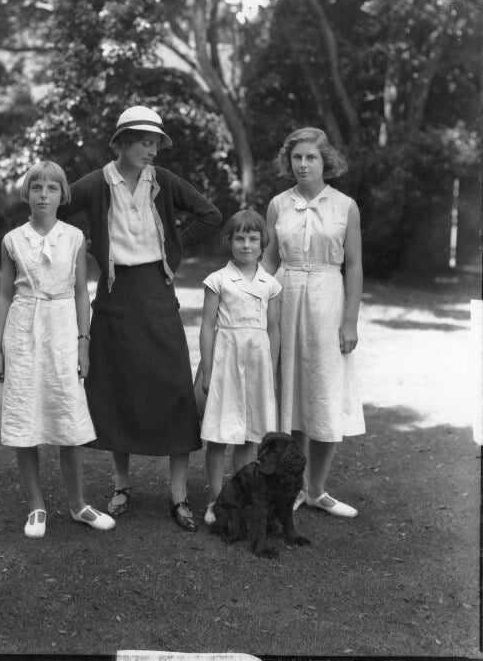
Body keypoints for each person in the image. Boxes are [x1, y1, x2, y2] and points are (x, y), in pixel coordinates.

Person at [58, 105, 221, 531]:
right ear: (124, 142)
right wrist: (93, 247)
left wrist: (174, 248)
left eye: (155, 143)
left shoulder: (162, 181)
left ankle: (179, 494)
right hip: (114, 294)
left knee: (173, 390)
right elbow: (55, 211)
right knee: (117, 388)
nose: (152, 150)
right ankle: (121, 484)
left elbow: (209, 214)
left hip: (157, 291)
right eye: (145, 142)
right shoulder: (96, 183)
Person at [0, 161, 116, 538]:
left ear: (62, 195)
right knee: (25, 416)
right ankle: (36, 506)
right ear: (26, 193)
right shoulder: (12, 239)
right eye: (36, 187)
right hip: (23, 330)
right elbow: (6, 295)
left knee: (67, 417)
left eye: (51, 188)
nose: (43, 194)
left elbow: (79, 294)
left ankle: (78, 504)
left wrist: (83, 343)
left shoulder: (73, 237)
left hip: (61, 330)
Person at [263, 127, 365, 519]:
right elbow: (270, 258)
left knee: (322, 393)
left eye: (311, 157)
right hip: (286, 295)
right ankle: (291, 488)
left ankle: (318, 489)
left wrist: (350, 321)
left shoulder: (345, 206)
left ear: (326, 161)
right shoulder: (278, 204)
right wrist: (258, 300)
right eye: (297, 158)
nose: (303, 165)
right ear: (288, 162)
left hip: (327, 299)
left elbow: (353, 265)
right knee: (290, 394)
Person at [199, 209, 282, 526]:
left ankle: (240, 498)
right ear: (228, 241)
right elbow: (207, 326)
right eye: (239, 238)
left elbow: (273, 328)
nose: (246, 245)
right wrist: (207, 369)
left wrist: (270, 370)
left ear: (263, 243)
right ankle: (216, 501)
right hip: (226, 360)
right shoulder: (218, 280)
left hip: (257, 362)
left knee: (250, 435)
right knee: (221, 433)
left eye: (252, 238)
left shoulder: (269, 284)